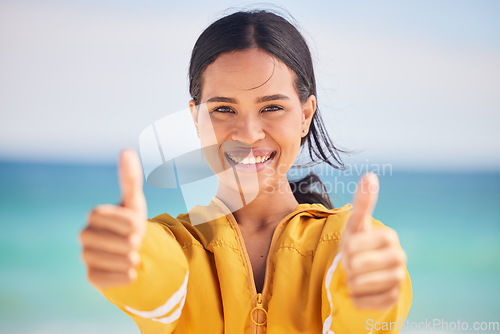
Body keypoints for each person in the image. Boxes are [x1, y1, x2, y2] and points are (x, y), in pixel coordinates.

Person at [79, 10, 412, 333]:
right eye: (223, 108)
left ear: (305, 115)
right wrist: (134, 256)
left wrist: (367, 298)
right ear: (196, 119)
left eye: (272, 107)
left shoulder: (347, 245)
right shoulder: (175, 244)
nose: (248, 133)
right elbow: (159, 280)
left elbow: (356, 320)